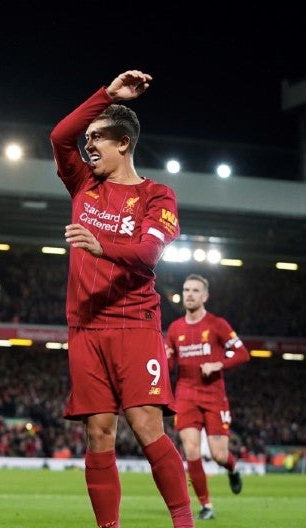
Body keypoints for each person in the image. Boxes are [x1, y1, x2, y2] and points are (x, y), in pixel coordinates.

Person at [49, 70, 194, 527]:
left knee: (148, 425)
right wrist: (106, 95)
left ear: (124, 143)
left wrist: (100, 245)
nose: (87, 146)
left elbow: (150, 252)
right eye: (88, 138)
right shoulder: (83, 184)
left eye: (97, 139)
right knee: (98, 432)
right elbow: (59, 136)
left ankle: (184, 523)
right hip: (85, 327)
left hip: (134, 324)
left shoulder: (157, 195)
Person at [165, 274, 250, 520]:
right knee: (191, 450)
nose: (189, 294)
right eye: (186, 289)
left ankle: (232, 469)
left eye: (195, 290)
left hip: (214, 395)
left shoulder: (217, 324)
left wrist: (217, 364)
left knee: (219, 455)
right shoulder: (175, 328)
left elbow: (242, 353)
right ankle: (206, 506)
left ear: (205, 296)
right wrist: (163, 358)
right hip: (185, 394)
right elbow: (169, 364)